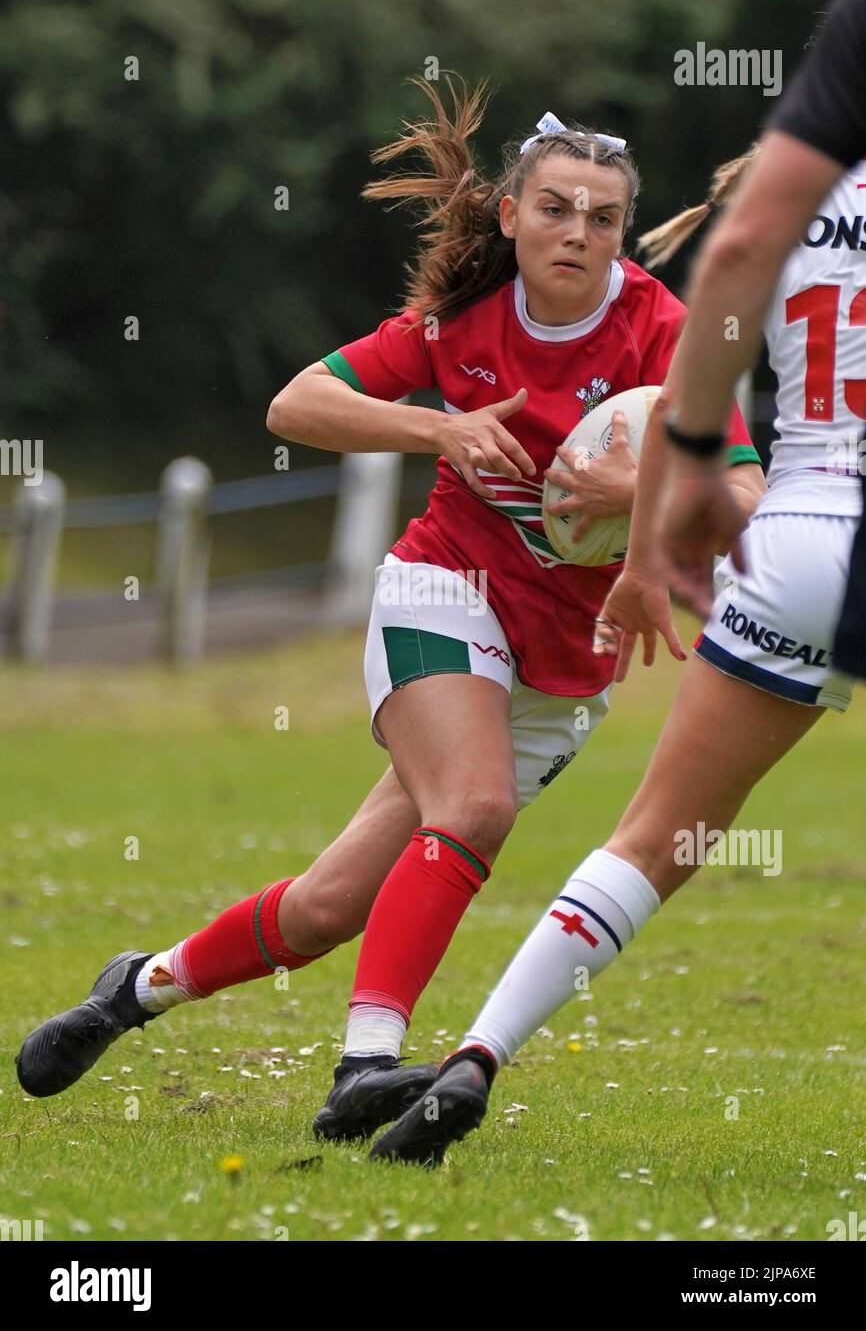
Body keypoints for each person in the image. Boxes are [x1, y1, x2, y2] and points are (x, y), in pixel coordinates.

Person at [15, 80, 762, 1146]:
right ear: (509, 214)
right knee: (473, 807)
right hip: (442, 587)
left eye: (601, 217)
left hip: (564, 658)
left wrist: (636, 495)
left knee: (328, 907)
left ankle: (132, 991)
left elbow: (743, 492)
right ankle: (365, 1062)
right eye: (553, 207)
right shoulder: (459, 319)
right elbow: (294, 406)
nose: (576, 233)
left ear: (621, 232)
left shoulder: (663, 335)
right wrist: (439, 433)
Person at [369, 141, 864, 1166]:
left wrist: (641, 561)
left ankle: (476, 1052)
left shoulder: (784, 195)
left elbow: (685, 417)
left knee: (651, 838)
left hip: (799, 535)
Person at [648, 0, 866, 686]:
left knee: (665, 809)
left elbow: (676, 392)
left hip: (798, 529)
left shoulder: (763, 201)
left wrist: (694, 458)